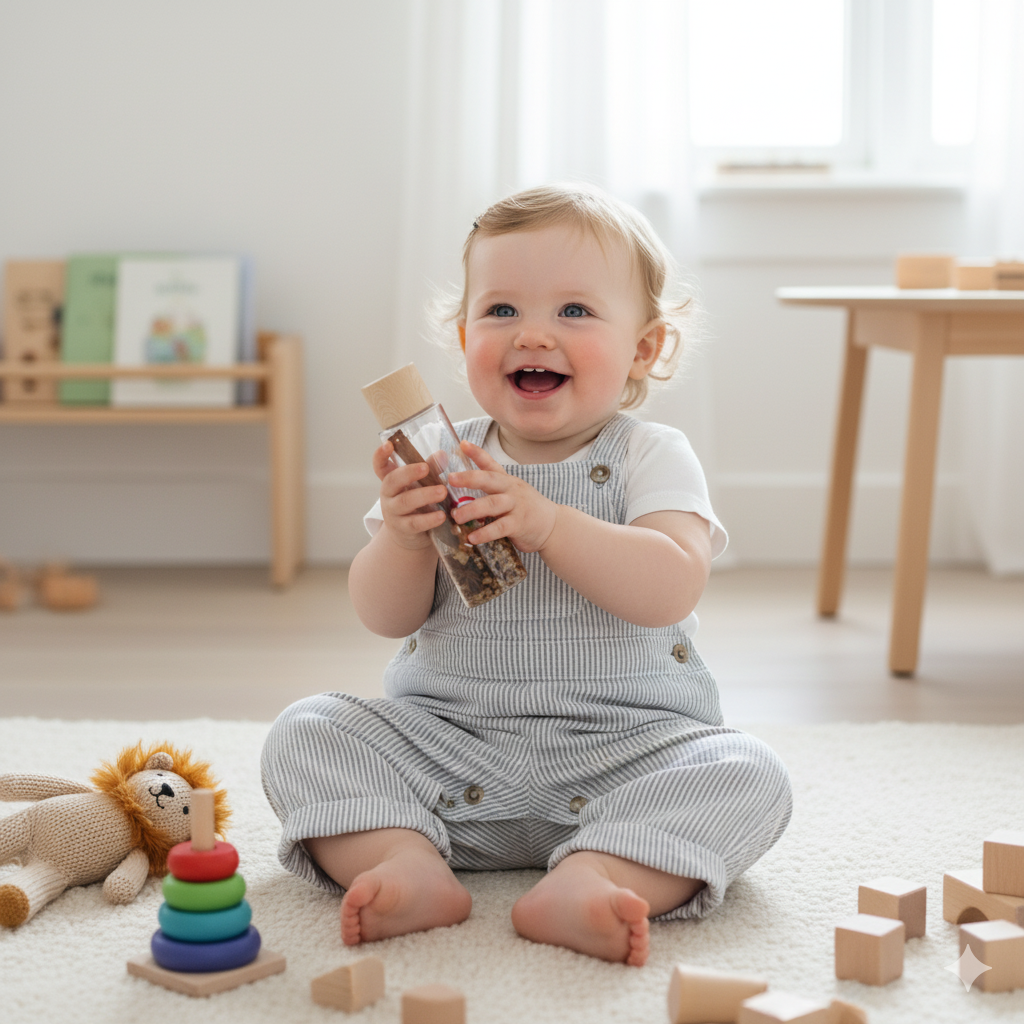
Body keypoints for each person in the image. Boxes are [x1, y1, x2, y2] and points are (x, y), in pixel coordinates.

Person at [261, 184, 792, 968]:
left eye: (575, 312)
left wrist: (550, 524)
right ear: (465, 332)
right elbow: (384, 615)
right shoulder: (444, 456)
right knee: (306, 729)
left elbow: (670, 587)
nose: (533, 334)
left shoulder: (652, 455)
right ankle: (403, 859)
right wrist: (405, 541)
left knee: (751, 773)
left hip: (627, 751)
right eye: (502, 311)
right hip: (449, 748)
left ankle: (597, 871)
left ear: (644, 349)